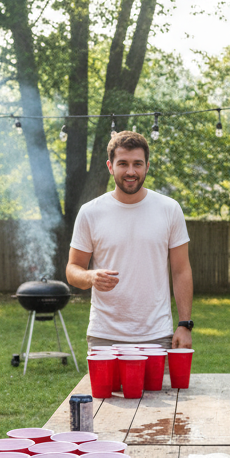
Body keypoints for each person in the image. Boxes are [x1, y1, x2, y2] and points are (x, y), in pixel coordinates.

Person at [66, 130, 193, 348]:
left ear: (147, 166)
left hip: (156, 335)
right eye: (123, 163)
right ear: (110, 166)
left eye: (137, 164)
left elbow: (181, 270)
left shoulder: (169, 209)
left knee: (157, 386)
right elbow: (73, 269)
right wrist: (91, 277)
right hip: (104, 336)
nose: (131, 171)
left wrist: (184, 324)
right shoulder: (90, 212)